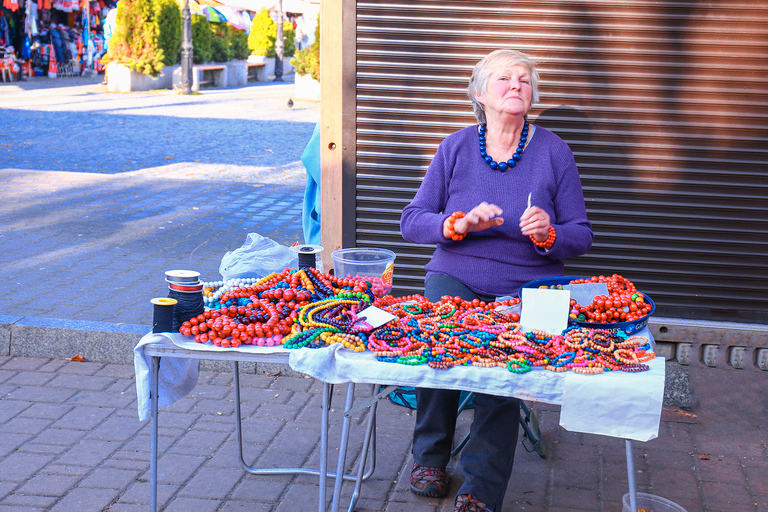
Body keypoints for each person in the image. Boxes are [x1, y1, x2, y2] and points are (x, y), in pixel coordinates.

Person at [399, 49, 594, 512]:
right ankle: (430, 456)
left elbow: (581, 234)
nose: (516, 86)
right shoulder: (457, 147)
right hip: (457, 274)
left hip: (529, 284)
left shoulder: (553, 151)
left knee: (505, 369)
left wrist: (549, 235)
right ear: (479, 93)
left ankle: (481, 488)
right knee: (439, 347)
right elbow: (412, 221)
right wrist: (456, 225)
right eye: (504, 78)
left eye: (525, 80)